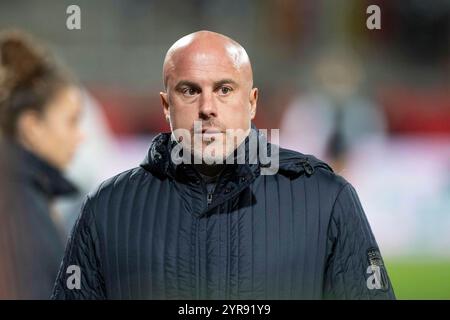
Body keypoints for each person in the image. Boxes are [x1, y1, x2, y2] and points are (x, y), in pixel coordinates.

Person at [52, 30, 395, 299]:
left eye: (225, 89)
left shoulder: (327, 199)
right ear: (165, 105)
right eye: (189, 91)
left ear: (252, 101)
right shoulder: (107, 208)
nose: (207, 108)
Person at [0, 30, 84, 299]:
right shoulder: (19, 208)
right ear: (32, 126)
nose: (81, 136)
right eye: (71, 121)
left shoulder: (30, 196)